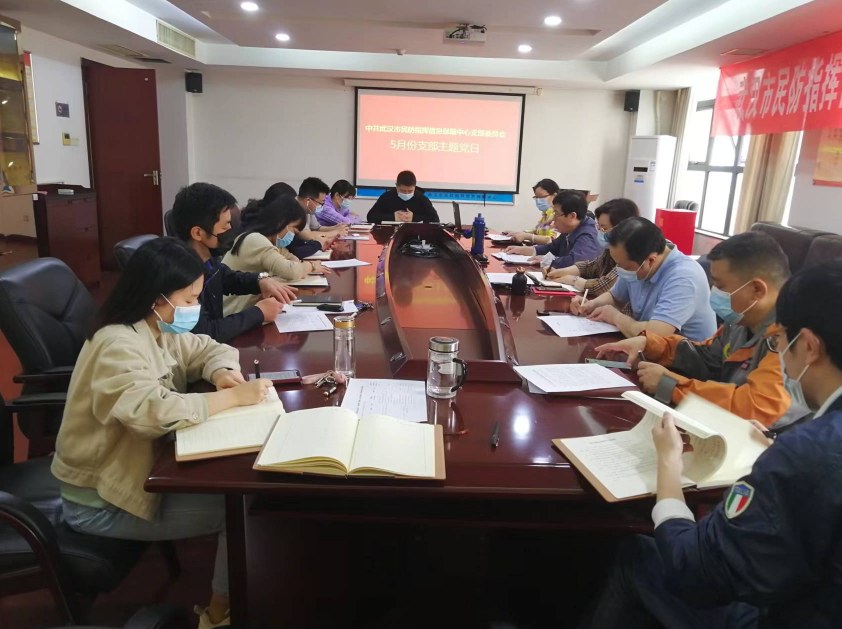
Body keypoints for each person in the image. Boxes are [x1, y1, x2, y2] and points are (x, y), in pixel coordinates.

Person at [579, 260, 842, 629]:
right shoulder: (808, 445)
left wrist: (669, 467)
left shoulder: (805, 453)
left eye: (782, 342)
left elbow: (694, 571)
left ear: (810, 346)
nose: (780, 351)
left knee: (638, 553)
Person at [52, 237, 275, 629]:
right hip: (99, 501)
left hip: (135, 469)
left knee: (240, 494)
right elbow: (150, 413)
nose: (194, 307)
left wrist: (222, 372)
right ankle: (220, 614)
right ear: (157, 299)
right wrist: (231, 398)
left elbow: (206, 347)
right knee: (239, 510)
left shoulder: (156, 326)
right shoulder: (116, 344)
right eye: (189, 299)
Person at [594, 231, 806, 428]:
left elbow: (757, 407)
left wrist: (671, 385)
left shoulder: (792, 338)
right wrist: (650, 344)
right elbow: (708, 356)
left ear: (757, 289)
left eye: (721, 287)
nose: (715, 293)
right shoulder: (741, 320)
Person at [172, 182, 296, 343]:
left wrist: (261, 280)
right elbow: (205, 333)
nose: (231, 229)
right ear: (198, 233)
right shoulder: (182, 276)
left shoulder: (208, 259)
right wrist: (258, 312)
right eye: (224, 227)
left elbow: (227, 278)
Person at [572, 217, 716, 342]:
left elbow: (655, 336)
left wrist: (615, 317)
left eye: (624, 266)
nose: (619, 269)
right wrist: (591, 304)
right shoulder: (636, 263)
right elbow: (615, 297)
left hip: (683, 361)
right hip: (646, 353)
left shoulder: (684, 278)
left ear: (651, 260)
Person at [222, 195, 325, 316]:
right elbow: (291, 271)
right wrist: (312, 266)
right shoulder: (256, 239)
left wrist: (300, 267)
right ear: (281, 222)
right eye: (293, 230)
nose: (292, 236)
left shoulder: (270, 242)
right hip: (233, 314)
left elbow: (293, 260)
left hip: (247, 311)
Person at [545, 198, 640, 296]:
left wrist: (574, 280)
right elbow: (590, 267)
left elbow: (603, 287)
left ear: (623, 228)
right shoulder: (609, 249)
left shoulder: (631, 254)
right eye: (599, 227)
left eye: (604, 228)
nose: (600, 232)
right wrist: (559, 272)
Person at [504, 190, 600, 270]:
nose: (553, 219)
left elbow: (576, 263)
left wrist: (548, 261)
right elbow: (552, 247)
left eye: (557, 214)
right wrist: (526, 250)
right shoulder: (570, 229)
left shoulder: (588, 235)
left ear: (572, 216)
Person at [366, 170, 440, 224]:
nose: (406, 193)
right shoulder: (386, 197)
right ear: (396, 186)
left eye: (410, 191)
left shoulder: (421, 199)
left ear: (415, 187)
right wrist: (394, 217)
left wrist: (413, 217)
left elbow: (435, 220)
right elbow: (371, 217)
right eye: (403, 191)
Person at [502, 178, 560, 245]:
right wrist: (516, 233)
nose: (538, 200)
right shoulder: (546, 214)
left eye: (541, 196)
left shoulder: (557, 215)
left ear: (554, 196)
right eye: (536, 197)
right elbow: (535, 232)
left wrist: (527, 236)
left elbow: (553, 240)